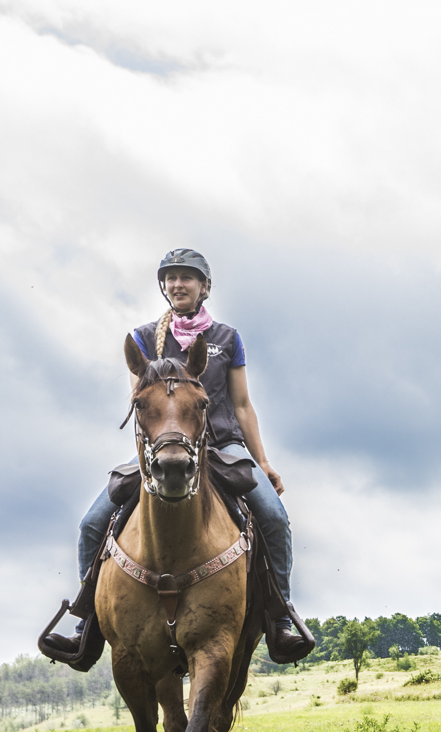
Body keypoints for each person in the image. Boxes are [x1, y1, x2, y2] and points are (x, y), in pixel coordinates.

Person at [46, 248, 312, 664]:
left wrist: (263, 462)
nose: (178, 284)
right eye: (170, 278)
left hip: (223, 446)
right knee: (91, 523)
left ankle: (280, 619)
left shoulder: (227, 338)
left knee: (274, 517)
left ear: (204, 287)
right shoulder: (142, 337)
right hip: (162, 449)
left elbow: (242, 405)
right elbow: (140, 406)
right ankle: (85, 625)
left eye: (187, 277)